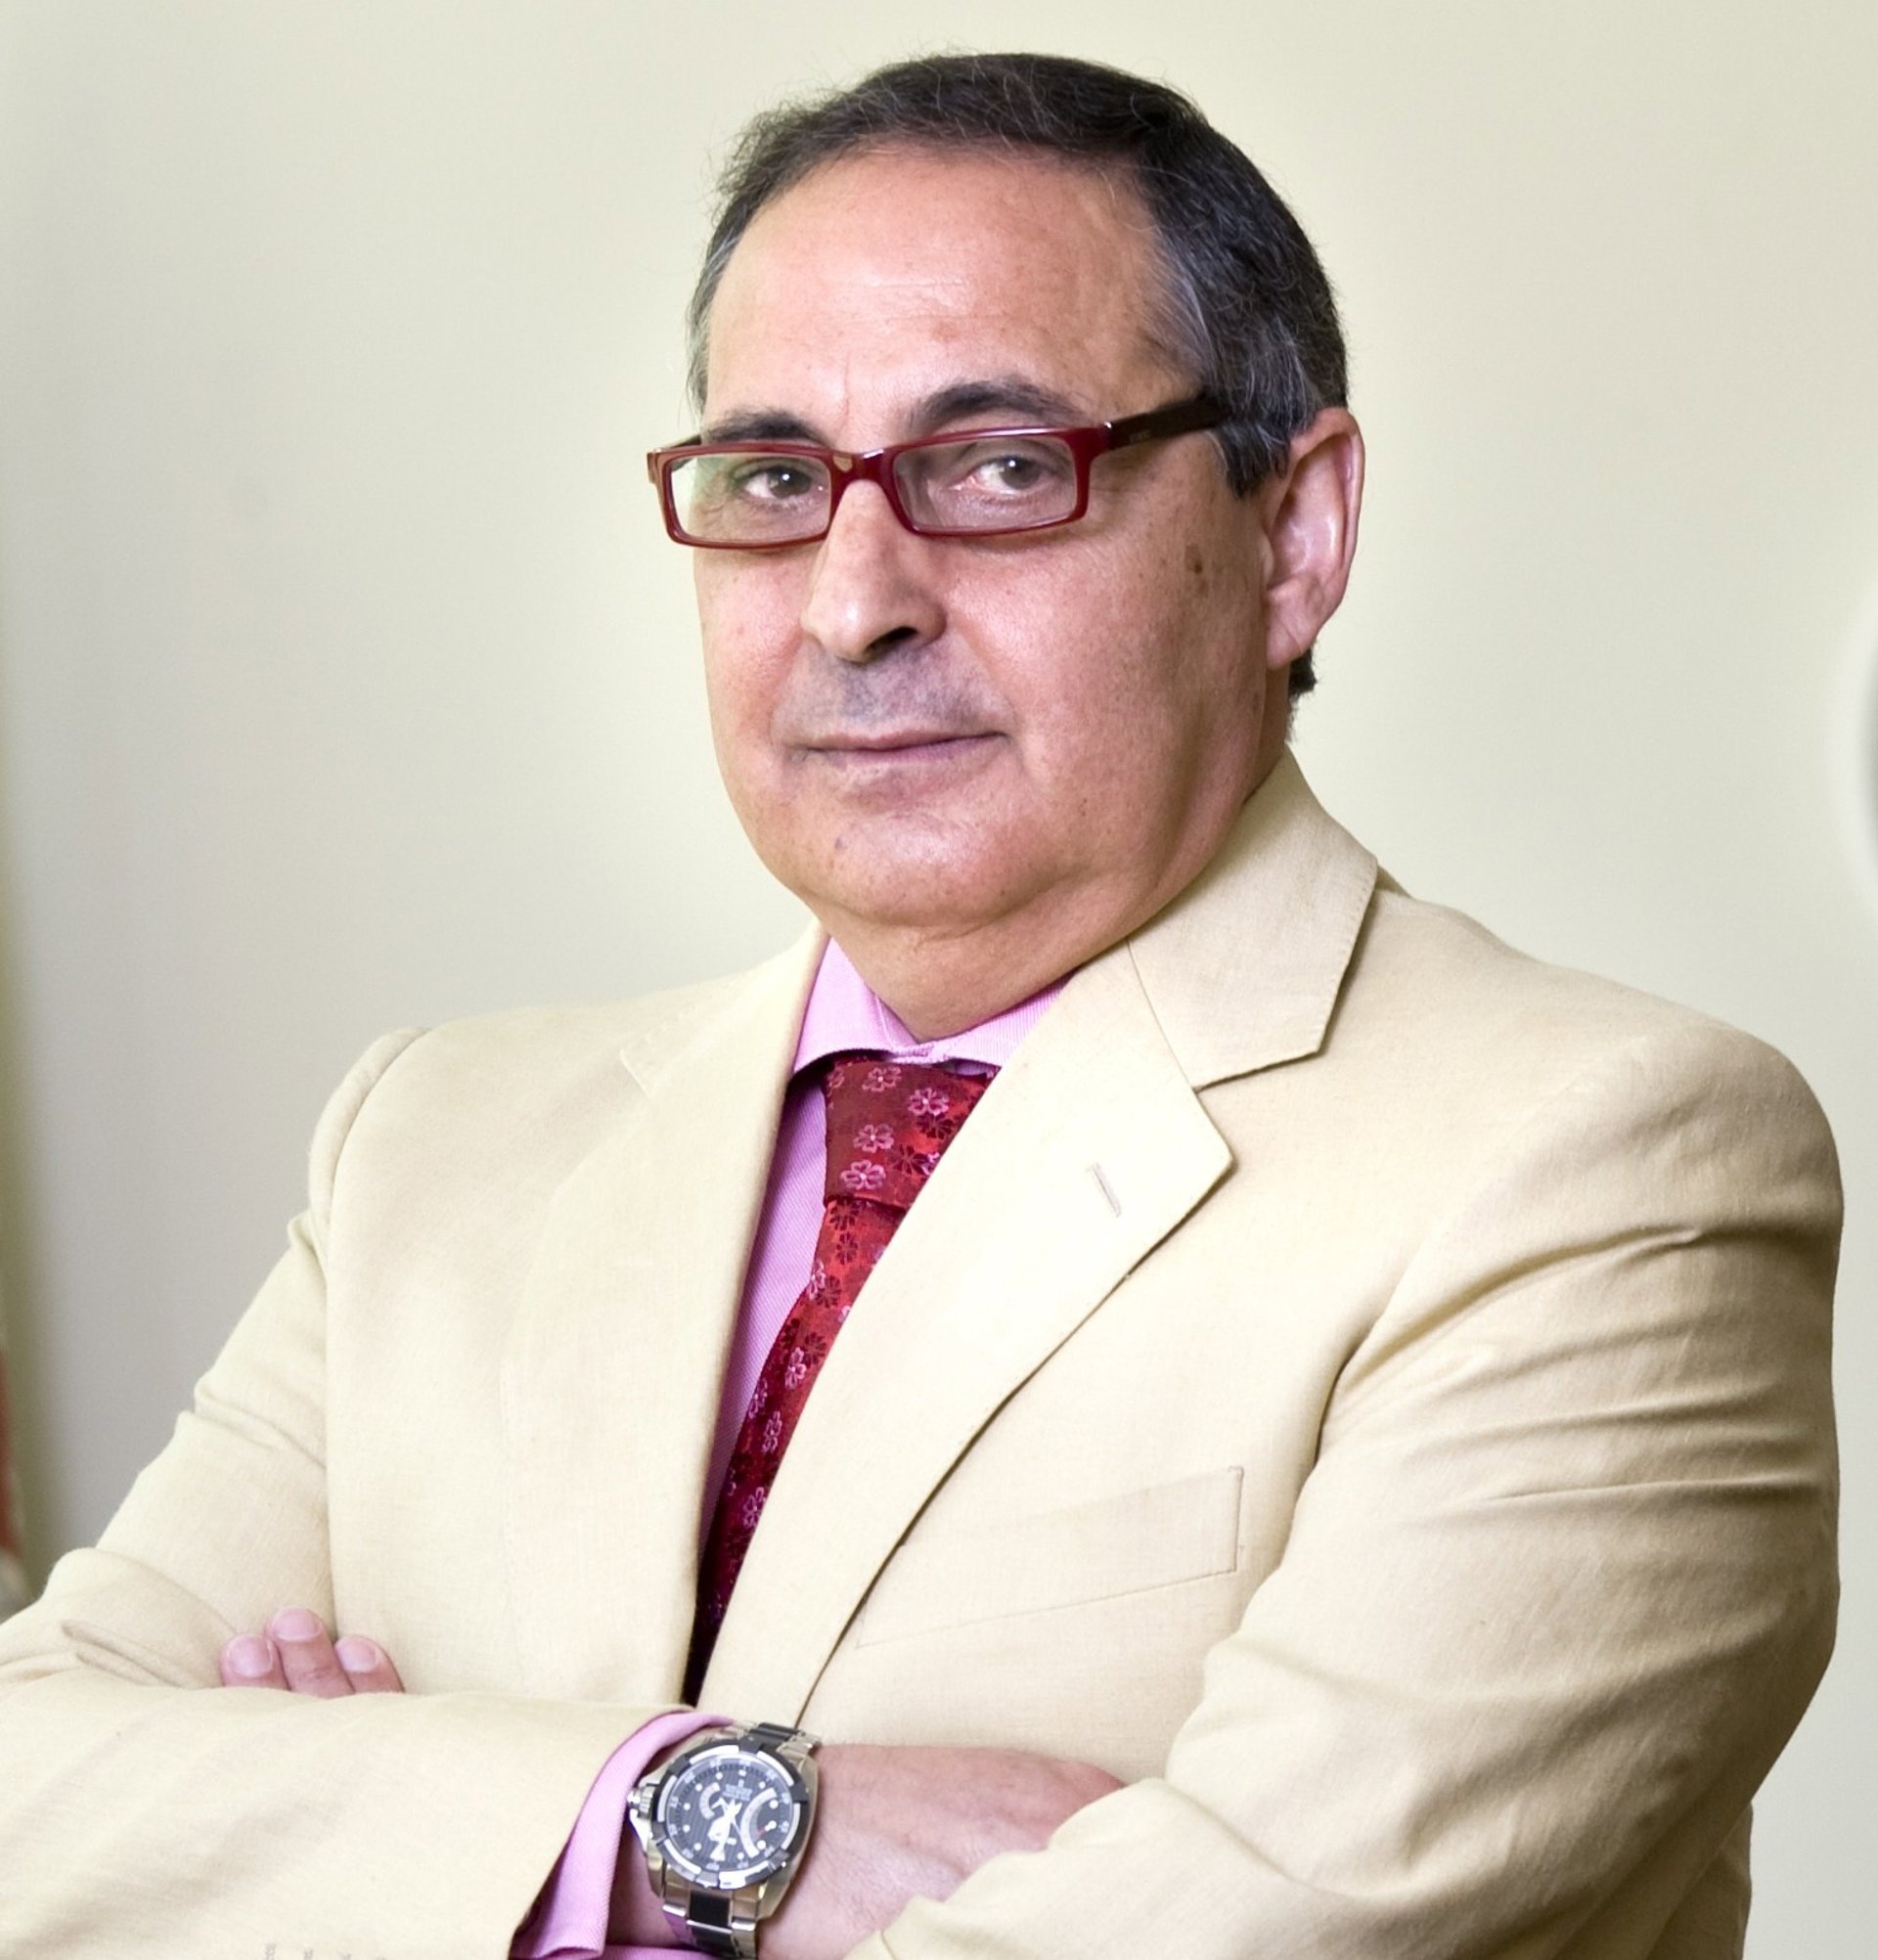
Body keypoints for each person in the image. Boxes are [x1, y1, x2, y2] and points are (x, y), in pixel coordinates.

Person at [0, 50, 1839, 1960]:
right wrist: (675, 1830)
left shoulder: (1605, 1166)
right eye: (774, 481)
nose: (850, 601)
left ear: (1291, 536)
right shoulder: (429, 1147)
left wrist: (370, 1848)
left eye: (999, 467)